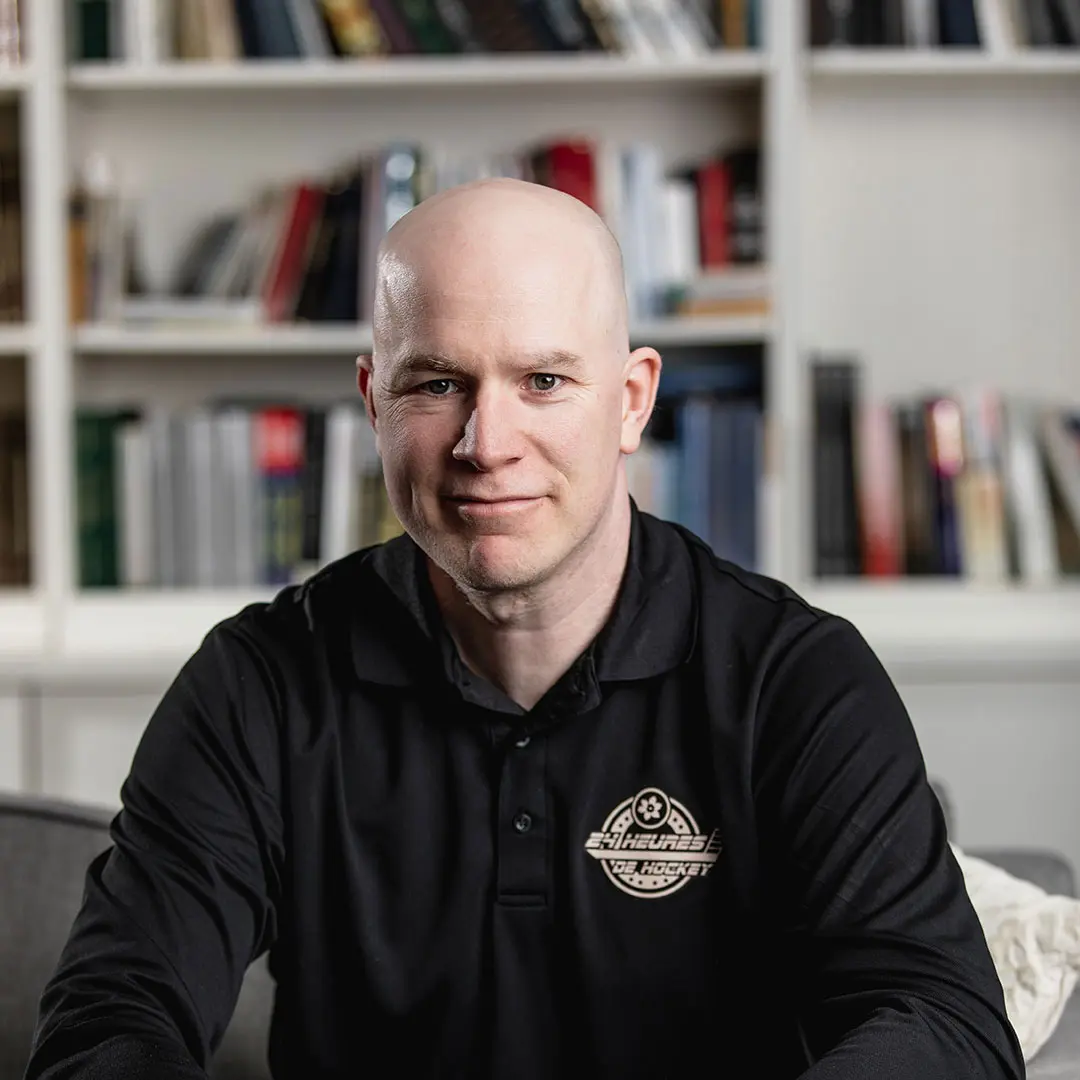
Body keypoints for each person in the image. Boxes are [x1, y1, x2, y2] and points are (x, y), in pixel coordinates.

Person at [26, 178, 1023, 1080]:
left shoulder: (795, 681)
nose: (484, 444)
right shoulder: (261, 683)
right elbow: (111, 1018)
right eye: (437, 382)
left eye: (542, 381)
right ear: (374, 402)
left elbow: (942, 1019)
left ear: (631, 402)